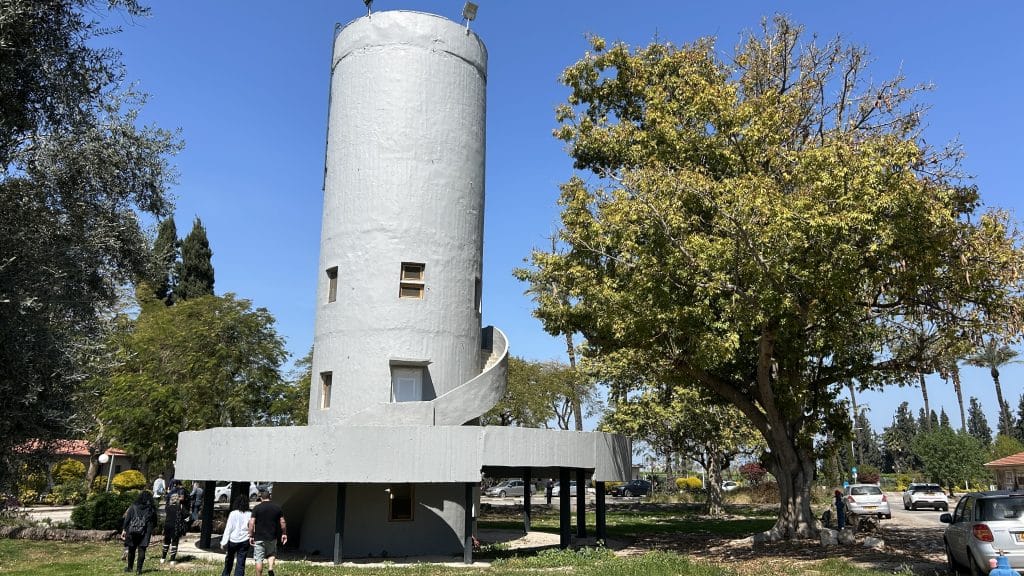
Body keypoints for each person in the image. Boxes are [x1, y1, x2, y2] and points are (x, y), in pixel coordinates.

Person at [249, 489, 287, 576]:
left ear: (261, 498)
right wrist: (284, 533)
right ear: (270, 497)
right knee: (272, 553)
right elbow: (283, 522)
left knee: (259, 559)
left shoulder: (256, 508)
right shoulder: (277, 508)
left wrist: (251, 535)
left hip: (259, 538)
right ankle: (270, 568)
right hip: (272, 537)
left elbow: (251, 523)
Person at [121, 490, 157, 574]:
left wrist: (124, 529)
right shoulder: (151, 509)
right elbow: (154, 522)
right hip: (145, 532)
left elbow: (127, 519)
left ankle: (130, 568)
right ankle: (139, 570)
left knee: (131, 550)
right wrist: (152, 529)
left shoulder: (133, 507)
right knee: (142, 550)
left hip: (132, 531)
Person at [220, 494, 252, 576]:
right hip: (245, 539)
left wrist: (223, 542)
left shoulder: (233, 513)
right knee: (241, 563)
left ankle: (225, 574)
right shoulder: (250, 514)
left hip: (233, 540)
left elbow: (228, 528)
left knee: (229, 560)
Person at [161, 479, 190, 565]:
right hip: (176, 526)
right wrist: (184, 522)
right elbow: (188, 516)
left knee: (166, 541)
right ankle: (172, 560)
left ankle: (163, 558)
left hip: (167, 526)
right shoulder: (180, 508)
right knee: (174, 542)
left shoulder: (167, 508)